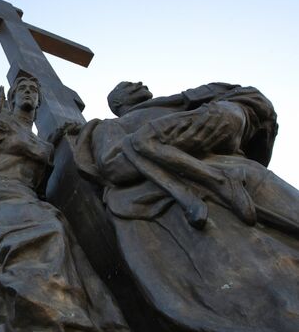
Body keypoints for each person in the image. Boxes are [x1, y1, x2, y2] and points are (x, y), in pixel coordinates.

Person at [69, 81, 299, 331]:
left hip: (246, 176)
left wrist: (223, 119)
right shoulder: (110, 127)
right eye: (127, 86)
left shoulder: (189, 101)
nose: (139, 83)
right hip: (180, 205)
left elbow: (252, 122)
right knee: (268, 286)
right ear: (117, 102)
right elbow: (113, 165)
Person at [0, 76, 129, 331]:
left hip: (31, 202)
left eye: (33, 90)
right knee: (47, 233)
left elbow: (42, 185)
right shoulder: (0, 124)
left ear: (39, 100)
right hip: (1, 200)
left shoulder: (43, 143)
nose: (29, 93)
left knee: (68, 241)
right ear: (12, 98)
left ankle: (91, 320)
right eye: (23, 89)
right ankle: (58, 321)